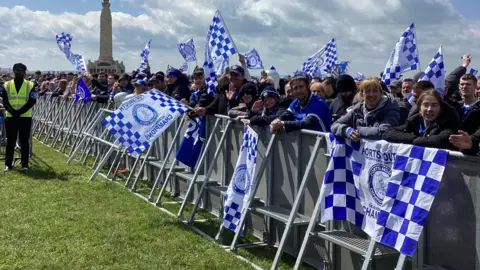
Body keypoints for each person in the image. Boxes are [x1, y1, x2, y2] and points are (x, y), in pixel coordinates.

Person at [382, 90, 459, 149]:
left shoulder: (448, 124)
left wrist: (415, 141)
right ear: (419, 108)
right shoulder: (413, 122)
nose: (429, 109)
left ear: (440, 108)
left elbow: (438, 141)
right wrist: (414, 139)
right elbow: (388, 133)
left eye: (434, 105)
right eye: (426, 105)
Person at [331, 77, 400, 141]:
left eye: (375, 91)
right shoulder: (357, 110)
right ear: (361, 94)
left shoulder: (391, 107)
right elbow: (334, 125)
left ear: (381, 93)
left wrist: (358, 131)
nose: (371, 94)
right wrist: (347, 131)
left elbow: (384, 131)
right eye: (367, 91)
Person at [1, 63, 38, 171]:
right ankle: (8, 164)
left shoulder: (31, 85)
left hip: (25, 117)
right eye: (17, 70)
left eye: (21, 71)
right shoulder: (6, 84)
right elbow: (5, 100)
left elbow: (33, 100)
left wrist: (20, 111)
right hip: (11, 117)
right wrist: (13, 111)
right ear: (13, 71)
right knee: (10, 142)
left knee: (24, 141)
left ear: (25, 72)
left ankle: (25, 164)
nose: (19, 73)